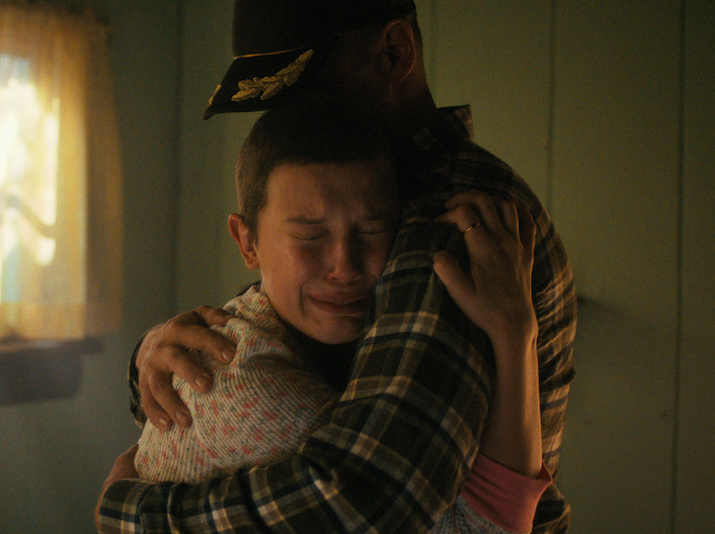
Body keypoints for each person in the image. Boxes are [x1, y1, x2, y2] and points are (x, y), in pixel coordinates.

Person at [98, 0, 577, 532]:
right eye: (275, 104)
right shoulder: (379, 196)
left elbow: (365, 498)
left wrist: (132, 514)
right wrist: (157, 359)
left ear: (397, 50)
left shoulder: (452, 220)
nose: (299, 125)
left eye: (311, 92)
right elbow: (281, 329)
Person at [128, 92, 551, 534]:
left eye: (372, 230)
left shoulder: (276, 326)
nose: (345, 266)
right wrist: (515, 333)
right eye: (310, 237)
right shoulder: (247, 379)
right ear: (246, 242)